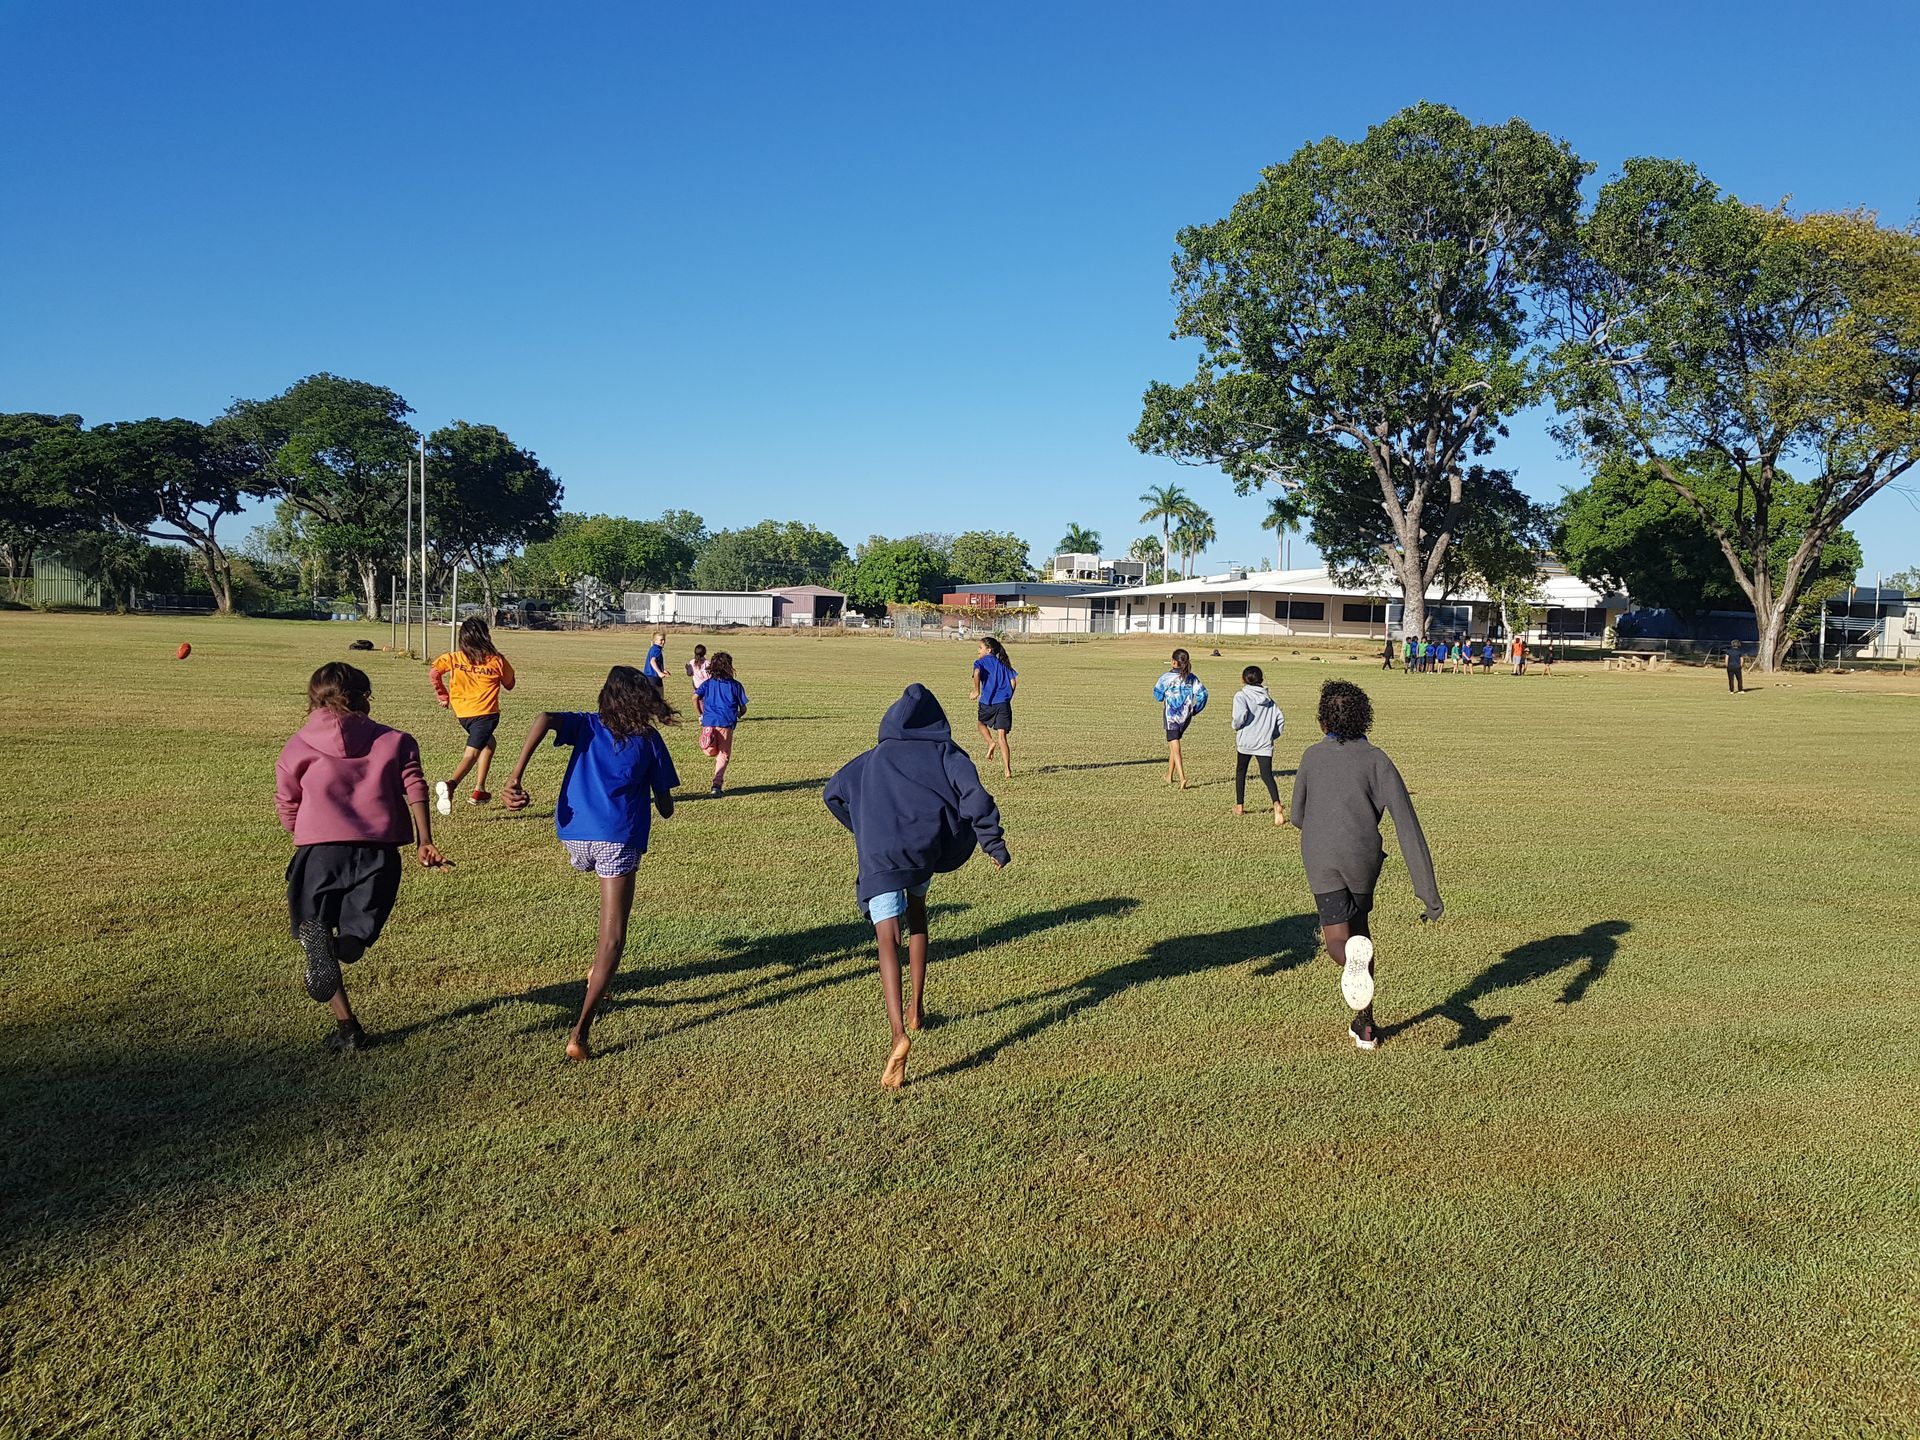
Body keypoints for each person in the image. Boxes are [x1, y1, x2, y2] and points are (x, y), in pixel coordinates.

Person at [824, 684, 1010, 1088]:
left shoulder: (870, 759)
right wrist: (992, 843)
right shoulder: (947, 753)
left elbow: (832, 794)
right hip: (923, 849)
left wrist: (863, 828)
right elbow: (975, 796)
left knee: (887, 940)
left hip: (880, 857)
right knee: (919, 913)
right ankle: (917, 1009)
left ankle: (898, 1034)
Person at [500, 665, 679, 1061]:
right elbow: (665, 807)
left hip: (574, 834)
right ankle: (579, 1033)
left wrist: (515, 777)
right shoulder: (649, 740)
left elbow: (544, 718)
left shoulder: (586, 725)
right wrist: (661, 799)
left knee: (597, 877)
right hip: (616, 838)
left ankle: (597, 978)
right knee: (612, 938)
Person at [276, 662, 449, 1053]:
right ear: (365, 698)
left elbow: (287, 799)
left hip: (319, 852)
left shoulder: (298, 744)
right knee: (355, 939)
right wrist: (425, 840)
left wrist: (300, 830)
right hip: (379, 853)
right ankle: (341, 952)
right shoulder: (395, 740)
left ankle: (346, 1023)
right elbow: (415, 787)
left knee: (314, 933)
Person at [1289, 679, 1443, 1053]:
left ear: (1323, 720)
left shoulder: (1311, 756)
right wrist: (1428, 894)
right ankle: (1366, 1026)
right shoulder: (1378, 759)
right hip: (1363, 858)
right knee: (1361, 934)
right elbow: (1408, 826)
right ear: (1364, 719)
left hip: (1322, 854)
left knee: (1338, 940)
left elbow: (1297, 816)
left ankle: (1348, 965)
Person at [429, 617, 516, 812]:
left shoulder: (454, 658)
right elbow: (510, 684)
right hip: (485, 715)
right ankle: (450, 786)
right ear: (486, 636)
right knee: (471, 754)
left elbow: (434, 673)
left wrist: (443, 695)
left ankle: (480, 790)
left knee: (489, 744)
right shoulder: (496, 660)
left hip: (463, 715)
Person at [1230, 665, 1286, 825]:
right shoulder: (1269, 700)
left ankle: (1239, 806)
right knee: (1267, 775)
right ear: (1261, 679)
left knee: (1241, 772)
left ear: (1243, 679)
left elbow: (1240, 716)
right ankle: (1276, 804)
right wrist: (1272, 735)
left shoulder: (1241, 696)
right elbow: (1280, 719)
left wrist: (1236, 726)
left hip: (1246, 742)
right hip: (1264, 743)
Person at [693, 651, 748, 796]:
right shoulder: (735, 685)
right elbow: (743, 707)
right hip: (726, 722)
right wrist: (738, 714)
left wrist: (700, 715)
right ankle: (716, 785)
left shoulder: (708, 683)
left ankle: (708, 741)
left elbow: (694, 697)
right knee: (723, 754)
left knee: (711, 752)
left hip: (708, 720)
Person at [1153, 648, 1209, 790]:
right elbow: (1203, 694)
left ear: (1173, 661)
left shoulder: (1166, 677)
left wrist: (1164, 697)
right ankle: (1169, 776)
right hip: (1186, 716)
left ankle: (1182, 778)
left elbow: (1158, 695)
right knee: (1174, 744)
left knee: (1176, 747)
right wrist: (1195, 709)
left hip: (1171, 716)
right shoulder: (1192, 678)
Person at [970, 636, 1018, 778]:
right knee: (1002, 737)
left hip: (987, 702)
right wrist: (1009, 696)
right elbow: (1013, 681)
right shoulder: (1003, 664)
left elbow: (977, 673)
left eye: (980, 647)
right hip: (1003, 703)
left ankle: (990, 742)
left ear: (988, 650)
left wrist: (976, 690)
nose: (978, 650)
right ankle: (1007, 771)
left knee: (981, 724)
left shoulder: (980, 662)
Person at [685, 643, 710, 718]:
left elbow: (689, 674)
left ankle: (701, 716)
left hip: (698, 688)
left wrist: (687, 668)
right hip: (707, 687)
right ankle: (707, 716)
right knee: (707, 703)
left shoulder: (692, 662)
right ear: (704, 653)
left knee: (700, 702)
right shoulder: (707, 663)